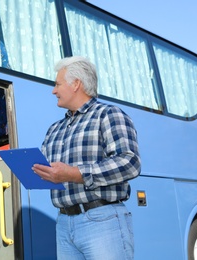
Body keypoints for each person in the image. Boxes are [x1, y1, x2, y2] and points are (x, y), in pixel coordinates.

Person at [32, 56, 141, 260]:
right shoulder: (54, 129)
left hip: (102, 221)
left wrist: (74, 173)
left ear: (76, 84)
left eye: (57, 84)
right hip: (64, 223)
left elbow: (130, 163)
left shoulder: (108, 114)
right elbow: (48, 169)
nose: (53, 91)